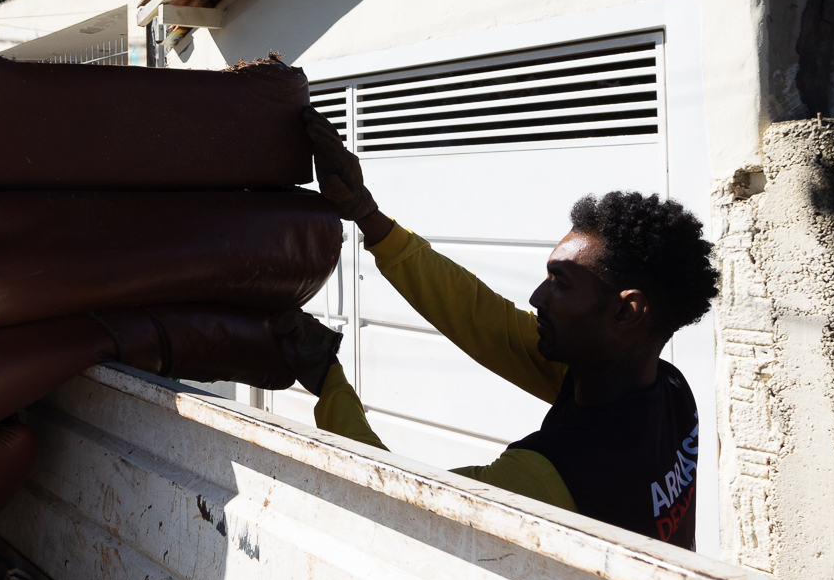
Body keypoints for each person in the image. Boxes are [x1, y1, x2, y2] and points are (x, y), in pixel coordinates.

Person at [300, 109, 716, 549]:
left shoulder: (547, 479)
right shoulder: (669, 392)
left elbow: (385, 502)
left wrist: (327, 378)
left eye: (561, 282)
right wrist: (369, 216)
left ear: (627, 311)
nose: (537, 297)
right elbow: (481, 318)